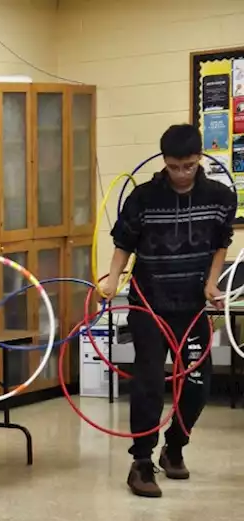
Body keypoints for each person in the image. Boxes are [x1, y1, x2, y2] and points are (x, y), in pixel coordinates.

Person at [101, 124, 234, 498]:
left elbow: (221, 242)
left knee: (197, 386)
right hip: (149, 302)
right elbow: (123, 244)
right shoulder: (143, 198)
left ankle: (174, 447)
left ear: (200, 160)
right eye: (174, 166)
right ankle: (141, 463)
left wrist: (212, 283)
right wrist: (112, 281)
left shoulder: (220, 197)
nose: (181, 173)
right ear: (164, 162)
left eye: (189, 166)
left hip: (192, 306)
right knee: (146, 382)